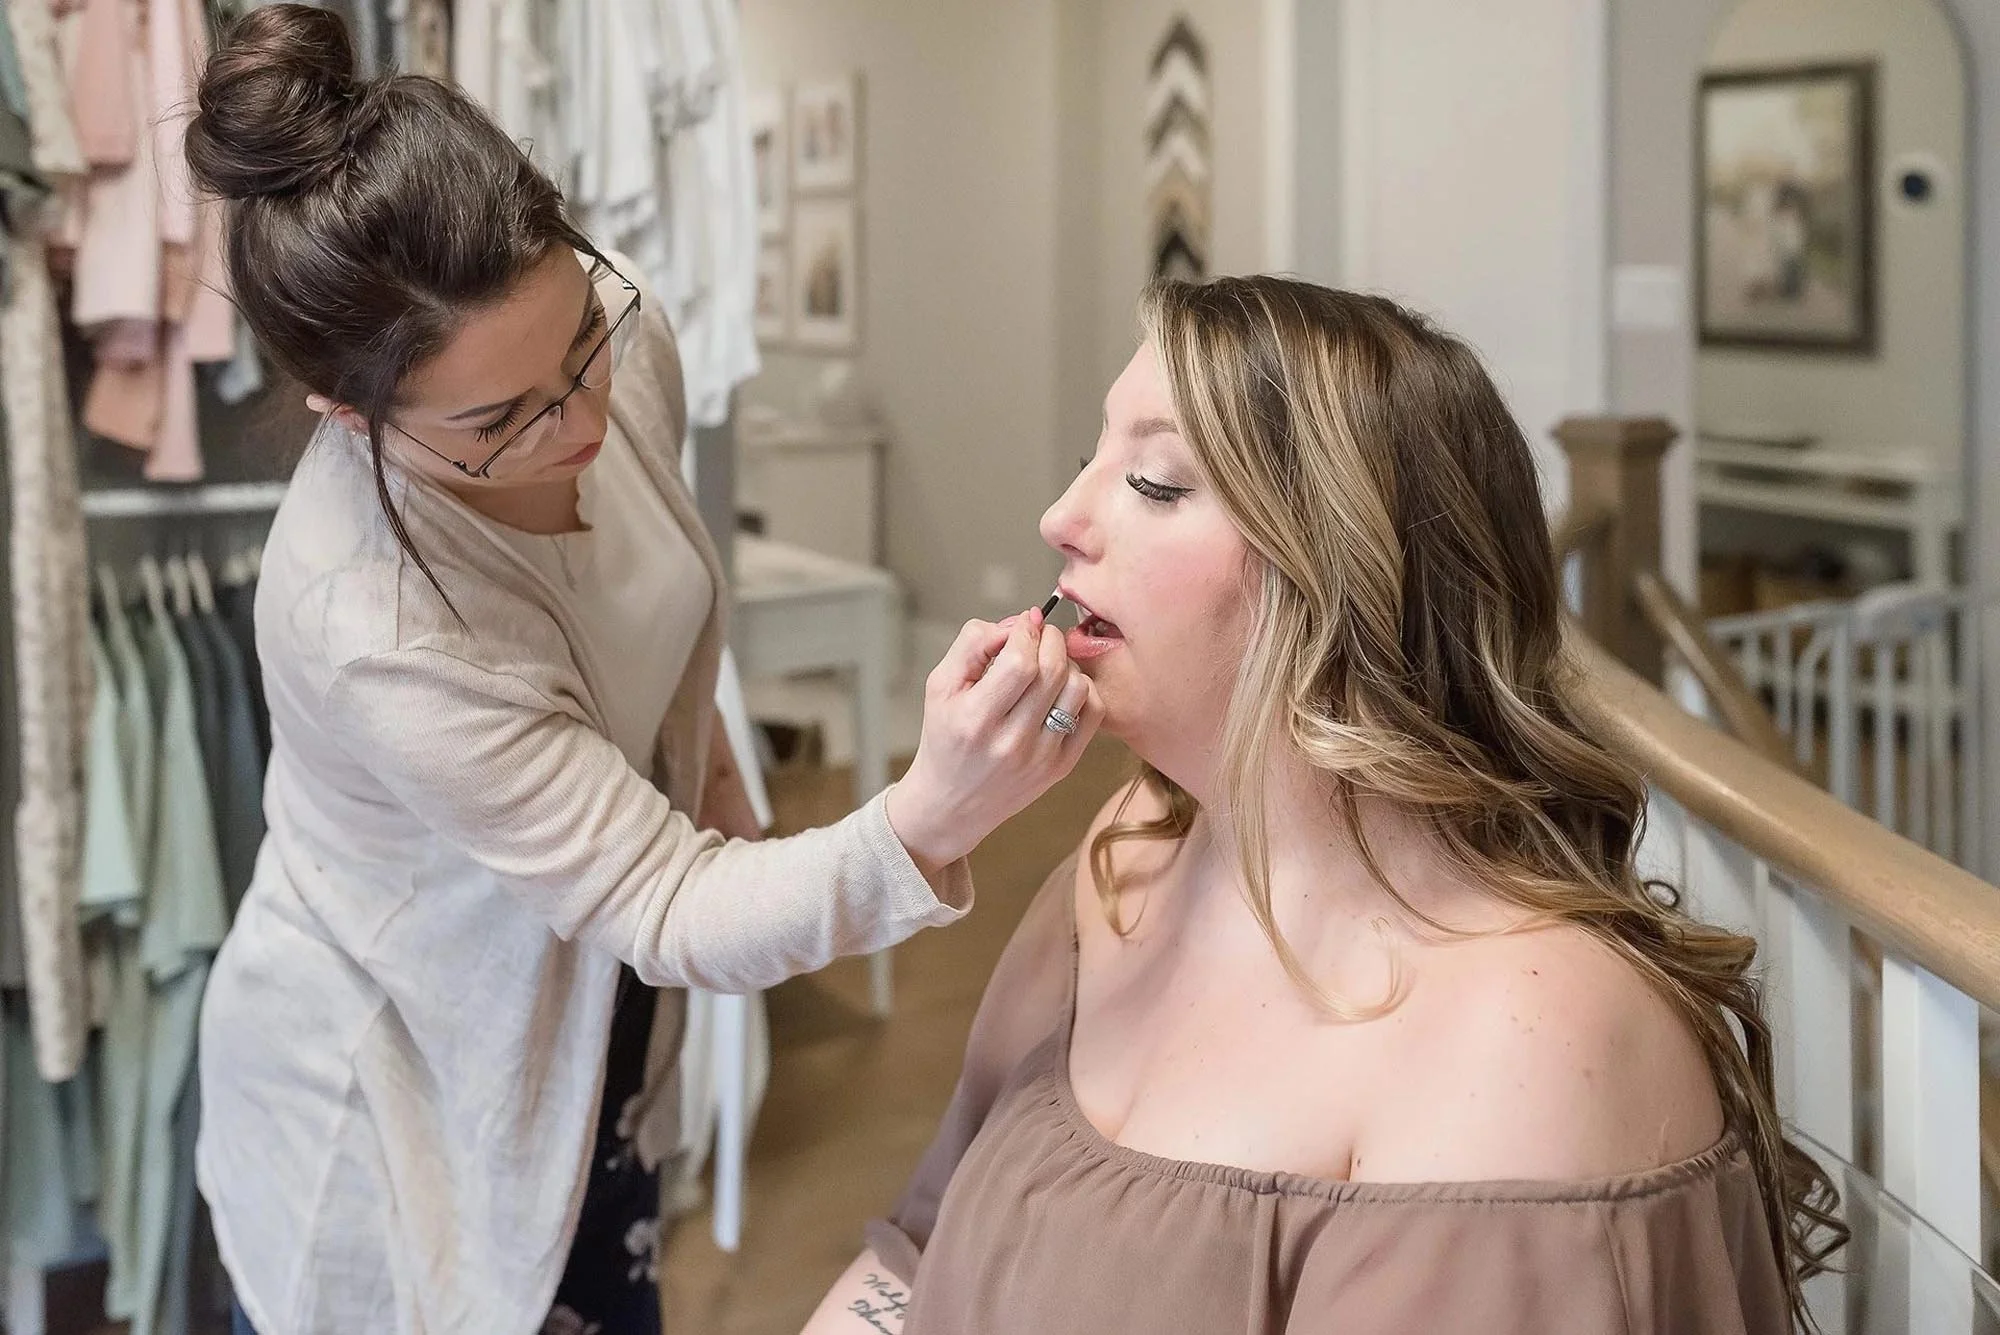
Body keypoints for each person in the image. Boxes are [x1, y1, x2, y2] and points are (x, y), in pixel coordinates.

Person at [182, 9, 1101, 1334]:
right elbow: (663, 899)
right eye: (501, 420)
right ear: (350, 415)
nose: (582, 420)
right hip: (415, 1075)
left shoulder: (623, 330)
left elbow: (653, 613)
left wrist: (713, 772)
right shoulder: (371, 619)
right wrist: (930, 813)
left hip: (593, 1014)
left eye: (579, 347)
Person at [805, 276, 1845, 1334]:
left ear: (1344, 575)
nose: (1060, 519)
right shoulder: (1128, 861)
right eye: (1093, 460)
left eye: (1156, 483)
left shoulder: (1521, 1046)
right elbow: (918, 1261)